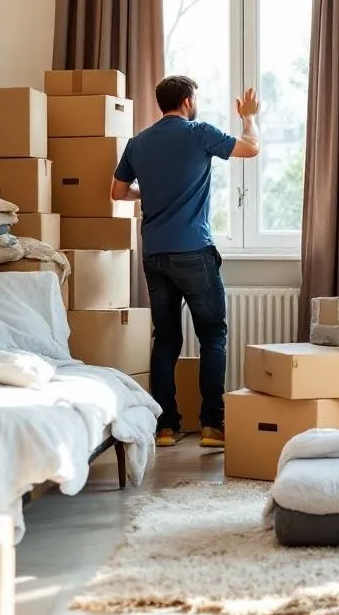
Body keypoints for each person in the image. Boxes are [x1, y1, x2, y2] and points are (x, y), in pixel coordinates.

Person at [110, 75, 261, 449]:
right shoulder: (198, 133)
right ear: (189, 101)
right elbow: (250, 149)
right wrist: (249, 117)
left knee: (166, 340)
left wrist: (154, 191)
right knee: (213, 335)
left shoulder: (139, 142)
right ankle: (211, 425)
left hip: (155, 254)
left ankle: (165, 427)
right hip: (193, 250)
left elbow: (116, 192)